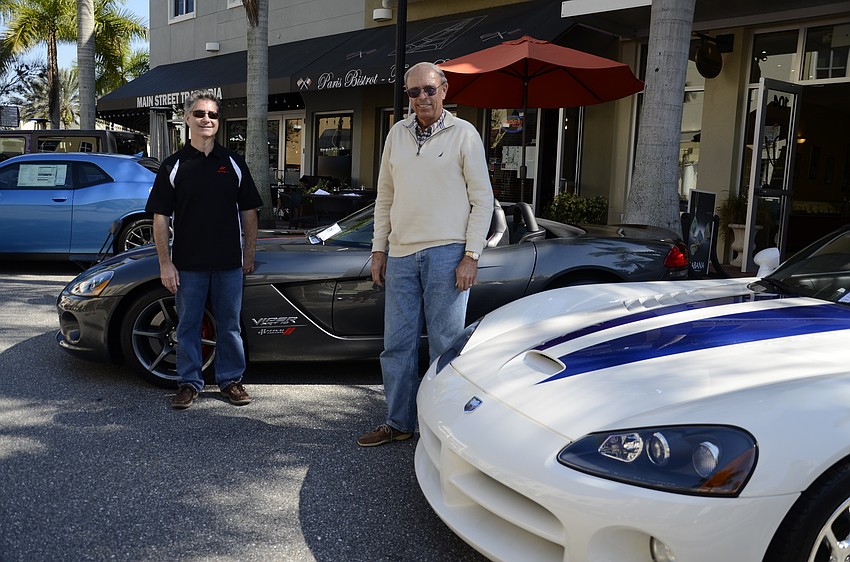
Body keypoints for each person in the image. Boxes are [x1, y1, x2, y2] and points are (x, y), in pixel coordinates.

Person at [357, 62, 494, 447]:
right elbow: (385, 197)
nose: (422, 98)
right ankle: (398, 422)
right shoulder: (395, 135)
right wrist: (379, 248)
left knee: (446, 345)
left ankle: (442, 430)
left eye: (429, 90)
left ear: (444, 89)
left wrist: (471, 255)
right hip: (400, 254)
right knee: (396, 345)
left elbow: (482, 200)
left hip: (447, 254)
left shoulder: (464, 134)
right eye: (414, 92)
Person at [145, 92, 263, 410]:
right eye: (199, 113)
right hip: (188, 265)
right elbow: (159, 218)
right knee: (187, 326)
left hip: (228, 264)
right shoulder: (173, 165)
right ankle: (188, 383)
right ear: (187, 119)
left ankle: (231, 381)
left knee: (229, 325)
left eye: (211, 114)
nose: (206, 119)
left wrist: (248, 254)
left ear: (218, 121)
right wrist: (165, 264)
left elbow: (249, 212)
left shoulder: (233, 163)